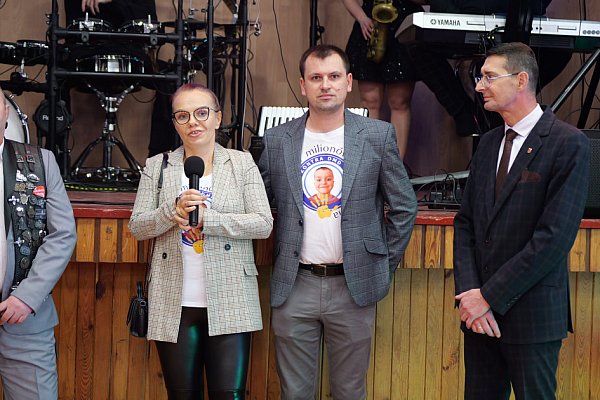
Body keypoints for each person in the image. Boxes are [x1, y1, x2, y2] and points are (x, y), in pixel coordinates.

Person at [258, 44, 417, 399]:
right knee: (294, 393)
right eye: (316, 77)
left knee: (349, 392)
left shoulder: (377, 135)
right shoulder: (278, 140)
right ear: (303, 86)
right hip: (294, 283)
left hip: (353, 284)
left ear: (348, 82)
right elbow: (260, 204)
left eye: (333, 76)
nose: (325, 84)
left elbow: (404, 207)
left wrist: (382, 265)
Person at [453, 42, 590, 399]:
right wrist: (471, 296)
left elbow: (553, 239)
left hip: (532, 318)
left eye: (489, 77)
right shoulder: (488, 143)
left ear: (521, 80)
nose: (479, 85)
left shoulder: (568, 144)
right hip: (478, 318)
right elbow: (465, 224)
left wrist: (488, 297)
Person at [128, 83, 273, 399]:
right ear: (175, 123)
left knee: (229, 395)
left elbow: (263, 223)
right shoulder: (158, 166)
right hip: (173, 300)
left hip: (232, 297)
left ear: (218, 118)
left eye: (201, 113)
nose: (193, 121)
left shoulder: (242, 163)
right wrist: (171, 211)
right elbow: (137, 226)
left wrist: (211, 220)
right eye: (183, 115)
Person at [0, 88, 77, 399]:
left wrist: (26, 297)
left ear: (6, 112)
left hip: (25, 322)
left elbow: (63, 234)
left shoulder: (40, 162)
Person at [405, 0, 567, 135]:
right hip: (466, 17)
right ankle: (464, 113)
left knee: (560, 50)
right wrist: (456, 13)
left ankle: (508, 105)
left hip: (523, 19)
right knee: (416, 46)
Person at [342, 0, 422, 158]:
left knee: (400, 102)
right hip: (370, 26)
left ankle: (395, 166)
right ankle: (368, 162)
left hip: (404, 25)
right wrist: (362, 18)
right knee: (370, 101)